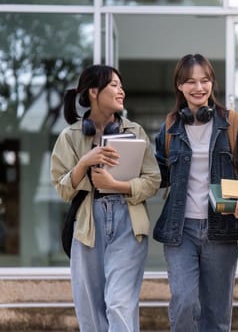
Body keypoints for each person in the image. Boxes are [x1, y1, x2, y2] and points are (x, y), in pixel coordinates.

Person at [50, 64, 161, 331]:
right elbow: (62, 188)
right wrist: (83, 163)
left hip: (128, 224)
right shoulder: (71, 136)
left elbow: (153, 180)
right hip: (88, 227)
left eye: (121, 85)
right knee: (90, 311)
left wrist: (117, 184)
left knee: (119, 304)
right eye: (114, 85)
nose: (121, 91)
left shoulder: (135, 132)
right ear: (93, 92)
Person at [153, 54, 238, 332]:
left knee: (216, 314)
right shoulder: (170, 127)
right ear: (180, 86)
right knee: (184, 303)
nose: (199, 87)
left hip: (220, 229)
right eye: (191, 81)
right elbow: (158, 175)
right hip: (179, 230)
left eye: (205, 80)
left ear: (212, 83)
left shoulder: (231, 124)